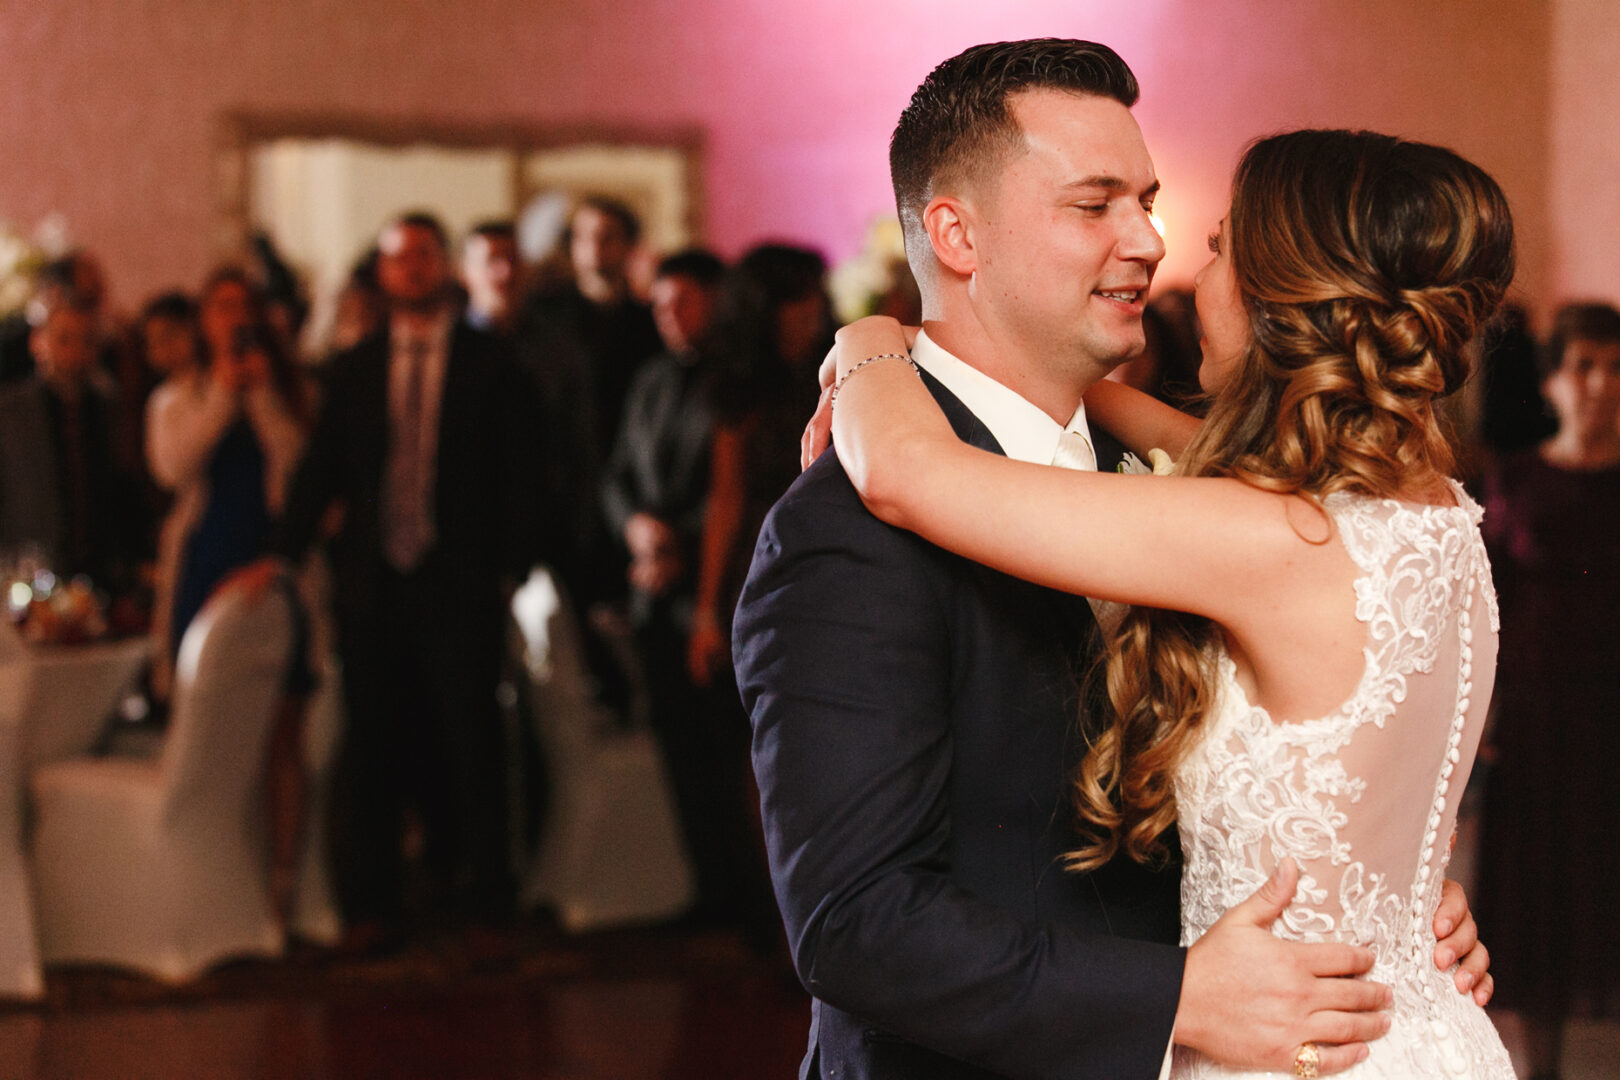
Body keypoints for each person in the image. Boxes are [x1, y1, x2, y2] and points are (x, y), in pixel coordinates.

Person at [733, 41, 1492, 1080]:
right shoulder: (846, 531)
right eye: (1097, 206)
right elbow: (856, 924)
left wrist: (1379, 892)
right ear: (954, 233)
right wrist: (1182, 998)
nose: (1151, 240)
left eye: (1152, 201)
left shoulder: (1221, 487)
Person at [260, 211, 545, 948]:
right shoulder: (354, 366)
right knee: (375, 743)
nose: (411, 269)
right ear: (382, 274)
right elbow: (323, 467)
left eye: (423, 255)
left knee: (473, 740)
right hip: (375, 582)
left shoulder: (491, 362)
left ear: (441, 266)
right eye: (397, 258)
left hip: (460, 579)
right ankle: (372, 905)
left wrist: (505, 568)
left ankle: (488, 898)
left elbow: (521, 472)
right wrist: (284, 550)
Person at [1474, 301, 1620, 1080]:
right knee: (1537, 901)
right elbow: (1480, 617)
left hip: (1612, 722)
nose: (1598, 386)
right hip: (1536, 725)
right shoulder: (1514, 479)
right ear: (1554, 379)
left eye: (1614, 366)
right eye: (1582, 366)